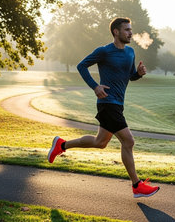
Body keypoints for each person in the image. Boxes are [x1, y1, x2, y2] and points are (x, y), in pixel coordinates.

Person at [47, 17, 159, 198]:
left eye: (131, 29)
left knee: (100, 142)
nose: (130, 33)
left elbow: (129, 76)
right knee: (128, 141)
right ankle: (137, 185)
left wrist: (138, 74)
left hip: (117, 104)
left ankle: (62, 145)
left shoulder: (130, 52)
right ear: (116, 32)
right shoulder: (104, 51)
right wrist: (95, 86)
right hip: (108, 103)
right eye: (127, 30)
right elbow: (81, 66)